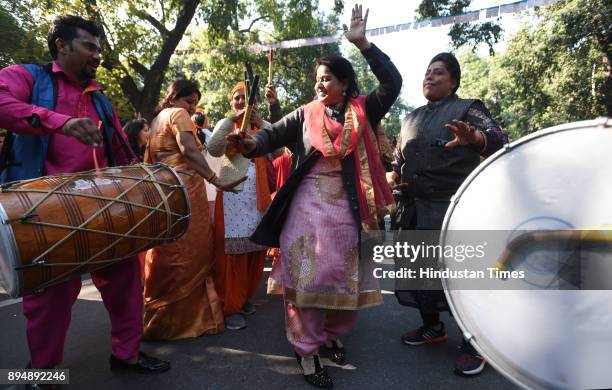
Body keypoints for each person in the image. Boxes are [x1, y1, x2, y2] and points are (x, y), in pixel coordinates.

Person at [226, 4, 401, 388]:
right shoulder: (305, 114)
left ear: (343, 82)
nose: (319, 85)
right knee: (307, 277)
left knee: (344, 279)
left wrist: (364, 44)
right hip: (307, 208)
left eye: (326, 79)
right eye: (317, 79)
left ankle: (332, 333)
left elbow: (393, 84)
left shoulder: (364, 110)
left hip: (350, 209)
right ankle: (306, 351)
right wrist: (250, 142)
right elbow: (270, 136)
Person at [0, 15, 170, 384]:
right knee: (50, 302)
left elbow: (119, 151)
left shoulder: (100, 98)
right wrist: (57, 121)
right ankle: (42, 373)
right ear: (61, 45)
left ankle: (127, 354)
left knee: (125, 281)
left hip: (103, 207)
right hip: (43, 211)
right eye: (89, 47)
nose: (97, 55)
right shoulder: (29, 76)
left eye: (99, 48)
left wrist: (142, 182)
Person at [388, 52, 508, 376]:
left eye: (438, 72)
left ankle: (476, 342)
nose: (429, 76)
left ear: (454, 81)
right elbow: (399, 159)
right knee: (420, 275)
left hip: (454, 208)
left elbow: (500, 139)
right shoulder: (410, 118)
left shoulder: (468, 109)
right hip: (415, 209)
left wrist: (476, 138)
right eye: (427, 72)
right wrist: (395, 173)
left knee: (460, 279)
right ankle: (432, 327)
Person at [142, 80, 245, 340]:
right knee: (192, 251)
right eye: (189, 100)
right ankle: (189, 322)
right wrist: (214, 178)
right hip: (185, 192)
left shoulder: (156, 120)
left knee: (168, 251)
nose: (193, 107)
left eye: (195, 102)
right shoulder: (178, 115)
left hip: (166, 192)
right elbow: (189, 150)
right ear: (175, 97)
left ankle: (161, 320)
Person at [207, 81, 276, 331]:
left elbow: (279, 150)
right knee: (232, 254)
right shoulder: (225, 125)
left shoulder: (261, 128)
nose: (242, 102)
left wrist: (263, 123)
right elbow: (213, 149)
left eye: (247, 99)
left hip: (257, 197)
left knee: (253, 250)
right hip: (232, 196)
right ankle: (229, 306)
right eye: (238, 98)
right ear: (231, 101)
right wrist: (230, 120)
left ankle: (244, 297)